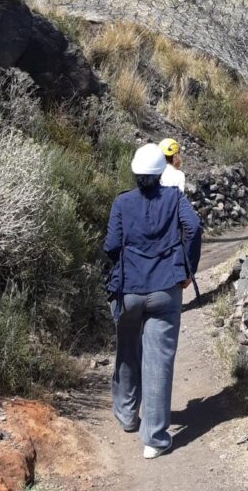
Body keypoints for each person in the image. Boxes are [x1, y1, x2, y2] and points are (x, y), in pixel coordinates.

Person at [104, 142, 202, 460]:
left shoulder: (122, 203)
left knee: (127, 350)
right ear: (162, 172)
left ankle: (127, 416)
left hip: (128, 290)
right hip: (165, 289)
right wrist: (187, 268)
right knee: (159, 361)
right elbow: (194, 227)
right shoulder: (174, 198)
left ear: (135, 172)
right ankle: (155, 439)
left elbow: (110, 245)